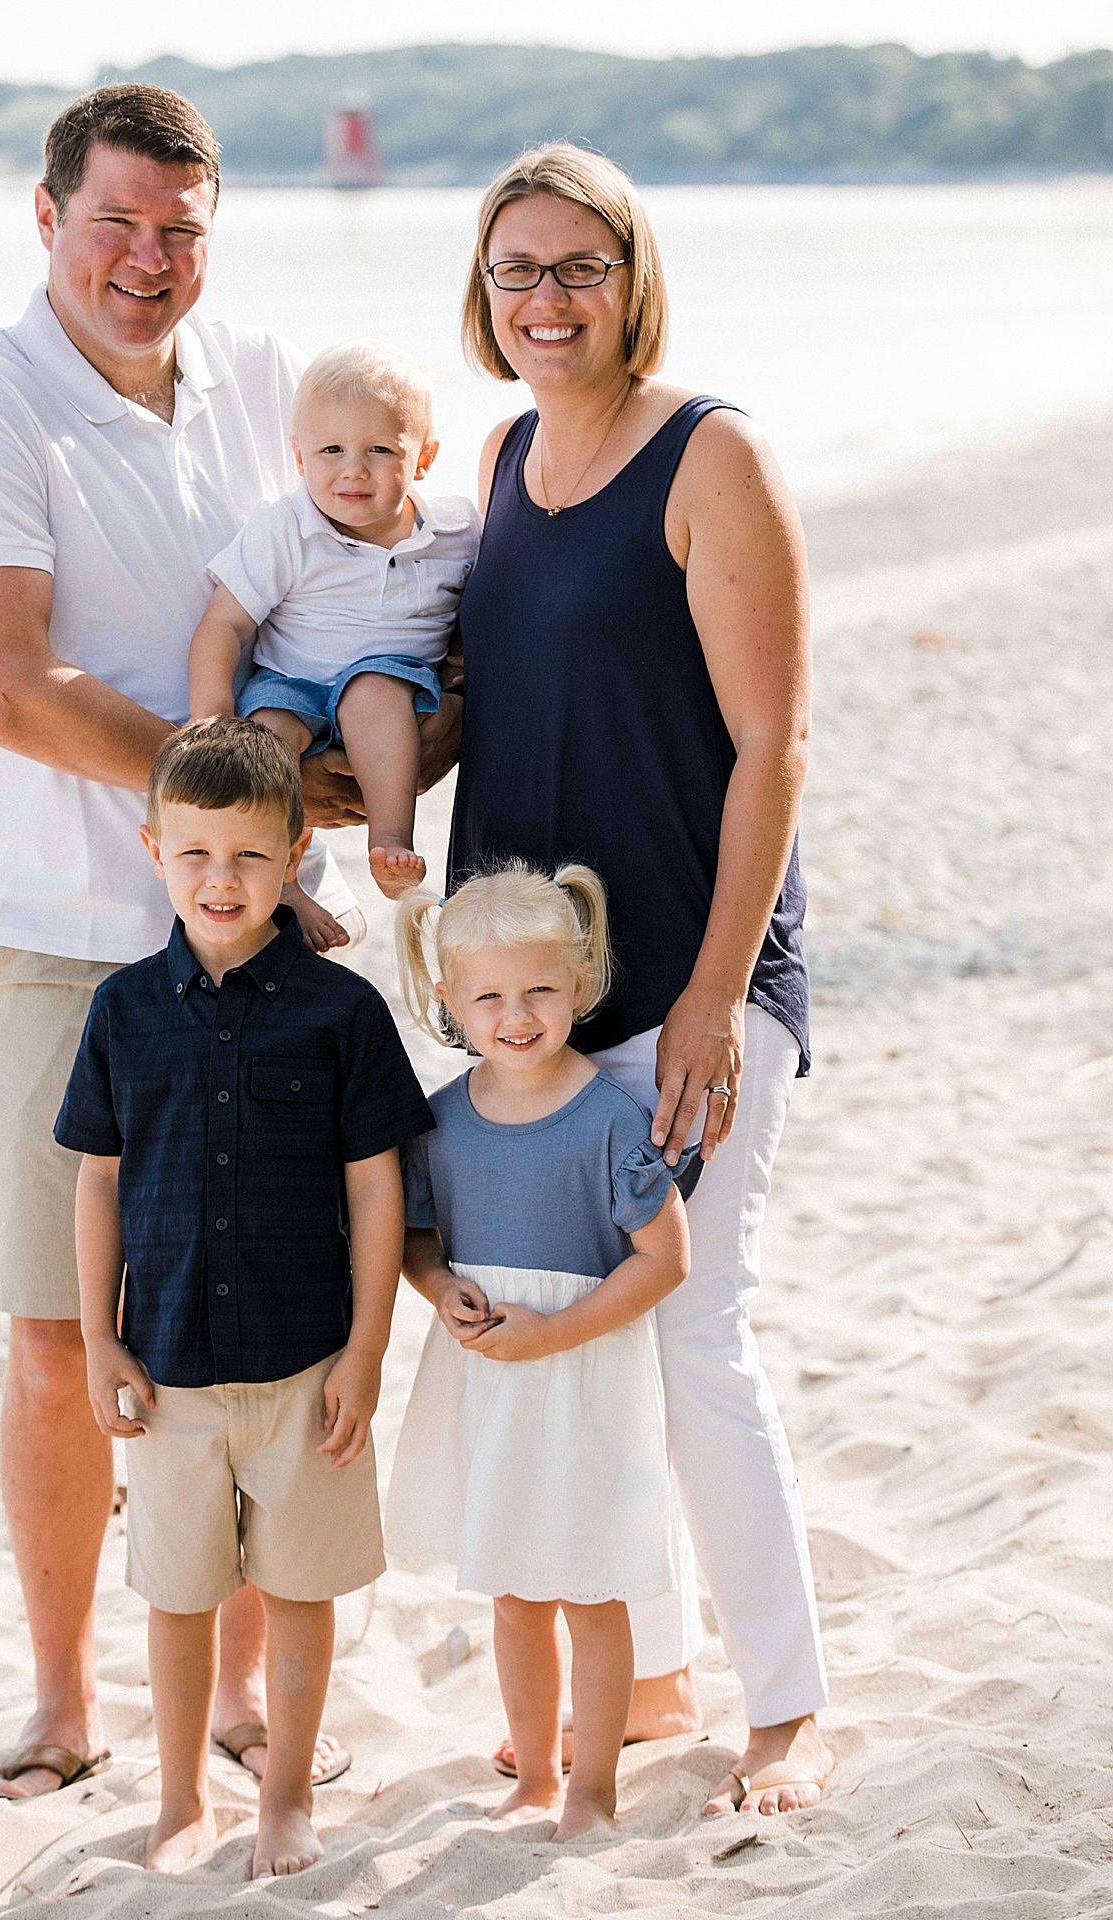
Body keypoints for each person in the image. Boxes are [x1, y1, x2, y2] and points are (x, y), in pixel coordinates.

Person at [0, 83, 456, 1802]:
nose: (148, 260)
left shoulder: (271, 383)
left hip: (276, 942)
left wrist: (382, 776)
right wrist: (238, 804)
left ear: (216, 228)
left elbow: (396, 579)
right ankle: (66, 1706)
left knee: (261, 1323)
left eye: (182, 229)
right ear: (48, 213)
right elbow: (4, 687)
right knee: (64, 1335)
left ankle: (228, 1697)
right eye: (118, 222)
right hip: (71, 940)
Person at [450, 143, 834, 1816]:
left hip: (697, 971)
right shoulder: (505, 452)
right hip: (538, 999)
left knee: (691, 1333)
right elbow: (506, 695)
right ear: (483, 294)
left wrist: (710, 992)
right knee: (585, 1346)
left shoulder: (711, 453)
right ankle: (657, 1674)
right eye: (514, 271)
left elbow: (776, 741)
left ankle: (789, 1707)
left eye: (576, 268)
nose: (545, 300)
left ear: (633, 278)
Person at [56, 719, 433, 1875]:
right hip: (166, 1371)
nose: (222, 881)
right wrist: (97, 1343)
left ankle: (282, 1804)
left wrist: (368, 1351)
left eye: (250, 858)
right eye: (196, 855)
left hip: (307, 1365)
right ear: (154, 850)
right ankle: (180, 1805)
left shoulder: (340, 1013)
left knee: (301, 1590)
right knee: (176, 1596)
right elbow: (97, 1182)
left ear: (297, 850)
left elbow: (377, 1192)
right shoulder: (123, 1012)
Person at [387, 864, 692, 1842]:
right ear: (448, 1000)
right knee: (515, 1591)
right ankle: (529, 1770)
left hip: (583, 1376)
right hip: (490, 1385)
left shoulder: (606, 1121)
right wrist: (440, 1292)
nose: (514, 1016)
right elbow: (415, 1241)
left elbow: (664, 1260)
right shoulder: (438, 1122)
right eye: (487, 997)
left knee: (590, 1591)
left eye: (539, 992)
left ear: (580, 981)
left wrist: (553, 1333)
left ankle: (591, 1785)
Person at [189, 340, 479, 903]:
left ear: (423, 457)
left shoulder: (457, 533)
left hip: (391, 689)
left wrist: (461, 676)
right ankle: (285, 879)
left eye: (379, 450)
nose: (353, 470)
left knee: (374, 691)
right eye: (331, 450)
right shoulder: (285, 529)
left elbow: (489, 606)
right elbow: (224, 625)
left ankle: (391, 840)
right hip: (292, 684)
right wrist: (212, 726)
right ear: (299, 457)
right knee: (266, 739)